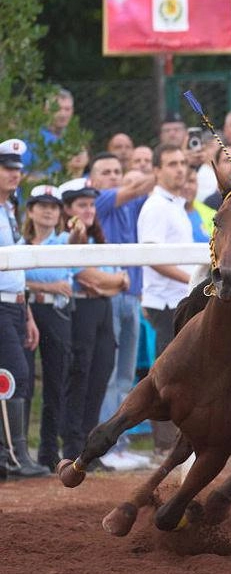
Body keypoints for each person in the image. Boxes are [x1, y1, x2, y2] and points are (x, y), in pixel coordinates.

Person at [87, 151, 155, 471]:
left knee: (127, 376)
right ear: (93, 180)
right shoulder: (100, 201)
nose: (113, 176)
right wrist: (160, 171)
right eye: (107, 172)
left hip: (132, 297)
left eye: (118, 171)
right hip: (110, 295)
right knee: (111, 374)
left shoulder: (133, 205)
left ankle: (121, 445)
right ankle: (104, 446)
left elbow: (146, 194)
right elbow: (139, 188)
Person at [58, 177, 130, 465]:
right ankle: (72, 446)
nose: (89, 210)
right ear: (68, 209)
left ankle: (88, 449)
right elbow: (86, 277)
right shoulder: (65, 239)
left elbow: (119, 282)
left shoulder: (99, 238)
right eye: (81, 205)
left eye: (90, 205)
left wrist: (105, 283)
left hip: (102, 309)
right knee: (80, 376)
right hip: (81, 311)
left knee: (100, 375)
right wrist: (106, 282)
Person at [137, 144, 194, 457]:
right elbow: (153, 256)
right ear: (157, 170)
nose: (179, 168)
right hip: (165, 305)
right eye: (172, 163)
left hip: (178, 301)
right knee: (166, 377)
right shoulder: (156, 206)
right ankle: (163, 447)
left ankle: (175, 445)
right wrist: (192, 280)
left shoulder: (176, 204)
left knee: (180, 374)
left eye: (183, 163)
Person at [0, 138, 48, 479]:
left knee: (20, 377)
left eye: (17, 170)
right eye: (7, 169)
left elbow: (17, 269)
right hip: (1, 305)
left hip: (17, 304)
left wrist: (28, 312)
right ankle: (14, 456)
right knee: (14, 374)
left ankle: (13, 455)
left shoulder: (10, 208)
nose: (14, 175)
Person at [20, 184, 76, 471]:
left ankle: (47, 451)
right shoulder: (17, 245)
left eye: (53, 206)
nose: (48, 210)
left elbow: (78, 263)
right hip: (26, 310)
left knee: (55, 382)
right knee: (24, 379)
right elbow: (11, 281)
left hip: (56, 313)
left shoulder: (68, 240)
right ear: (30, 210)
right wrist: (45, 285)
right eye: (41, 204)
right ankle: (20, 449)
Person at [22, 89, 75, 179]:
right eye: (57, 109)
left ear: (72, 111)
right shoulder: (30, 138)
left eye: (67, 109)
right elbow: (18, 175)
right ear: (46, 110)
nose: (63, 114)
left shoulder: (74, 139)